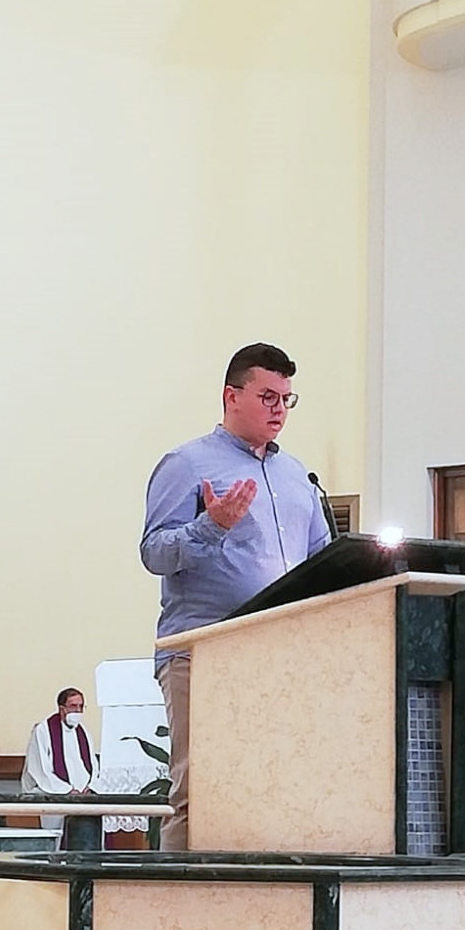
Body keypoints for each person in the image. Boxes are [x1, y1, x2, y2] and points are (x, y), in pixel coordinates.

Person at [140, 342, 332, 849]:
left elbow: (323, 563)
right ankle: (179, 896)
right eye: (268, 396)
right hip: (203, 653)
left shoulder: (299, 477)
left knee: (273, 789)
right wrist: (211, 526)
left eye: (286, 399)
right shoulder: (186, 464)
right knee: (199, 792)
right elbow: (154, 553)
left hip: (280, 655)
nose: (279, 409)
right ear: (232, 396)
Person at [21, 687, 99, 798]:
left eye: (81, 706)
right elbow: (39, 768)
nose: (78, 710)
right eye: (73, 706)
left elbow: (93, 764)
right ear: (62, 709)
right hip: (51, 792)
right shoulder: (43, 731)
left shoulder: (84, 732)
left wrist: (90, 786)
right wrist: (66, 790)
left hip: (83, 793)